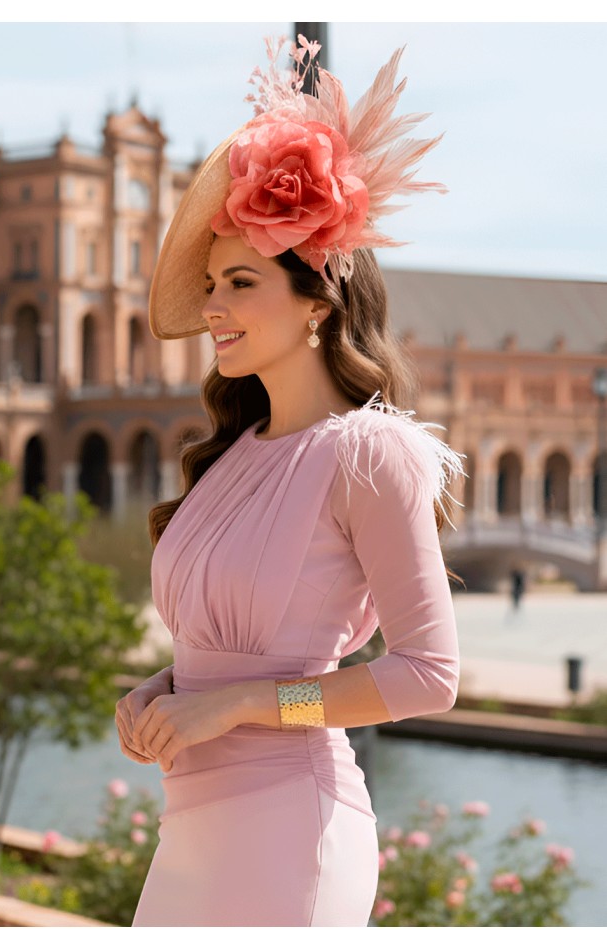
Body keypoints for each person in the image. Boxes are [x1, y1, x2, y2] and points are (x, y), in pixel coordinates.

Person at [115, 36, 465, 927]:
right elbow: (236, 651)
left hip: (291, 833)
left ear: (318, 302)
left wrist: (239, 708)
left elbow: (429, 676)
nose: (215, 309)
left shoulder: (370, 453)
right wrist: (171, 690)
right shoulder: (229, 454)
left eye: (239, 281)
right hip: (190, 837)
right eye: (210, 285)